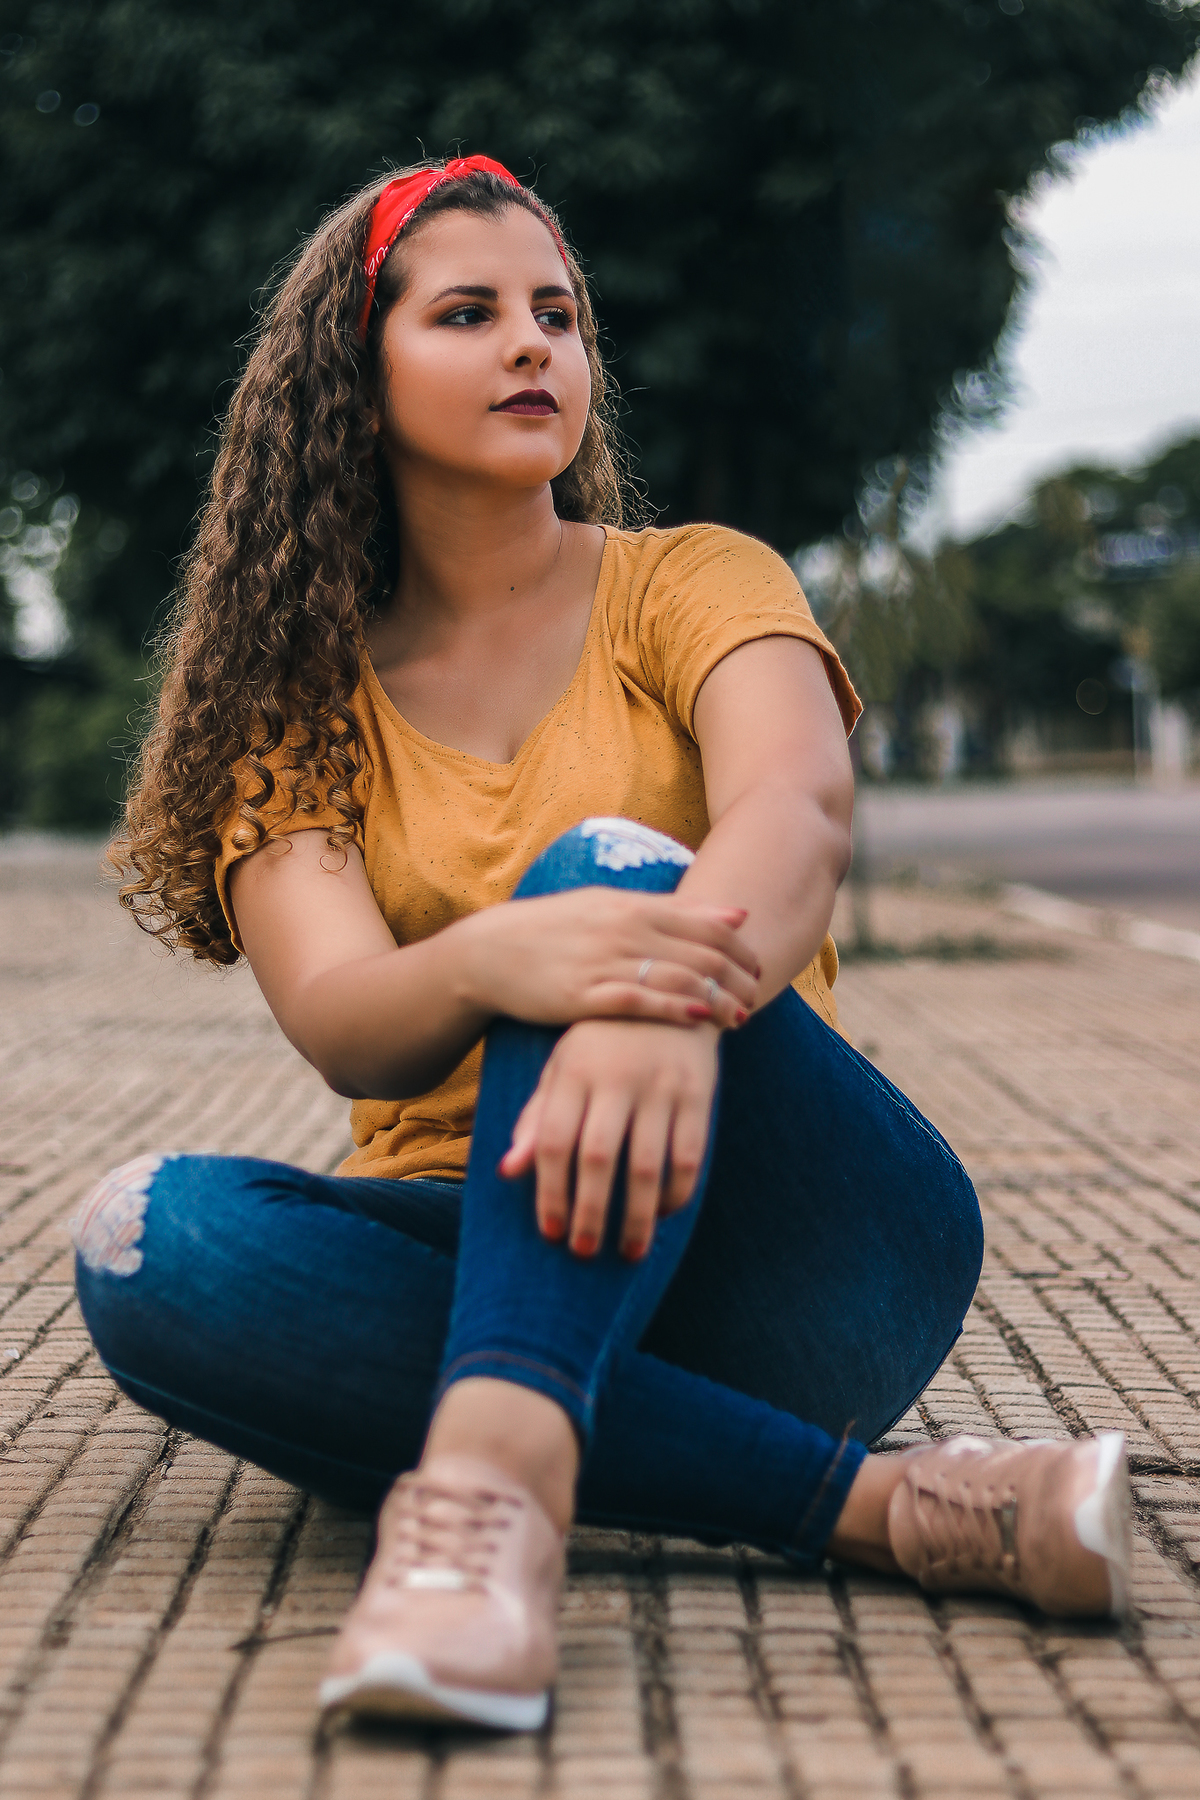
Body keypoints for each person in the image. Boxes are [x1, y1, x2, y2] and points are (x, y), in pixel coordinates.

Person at [75, 156, 1132, 1734]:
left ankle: (488, 1500)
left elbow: (795, 813)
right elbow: (352, 1022)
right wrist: (505, 964)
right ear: (351, 388)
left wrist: (649, 987)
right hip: (485, 1241)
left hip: (803, 1247)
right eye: (470, 313)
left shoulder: (692, 581)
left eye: (558, 316)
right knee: (146, 1241)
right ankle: (888, 1509)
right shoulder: (293, 704)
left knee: (612, 870)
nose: (534, 348)